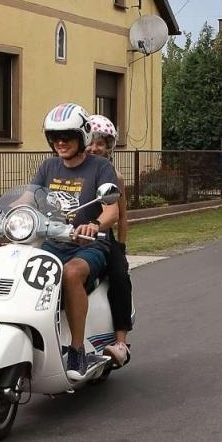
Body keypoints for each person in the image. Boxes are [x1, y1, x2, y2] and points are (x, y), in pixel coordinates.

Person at [30, 103, 120, 381]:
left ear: (81, 136)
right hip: (53, 242)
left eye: (67, 136)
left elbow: (112, 209)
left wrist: (94, 225)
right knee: (25, 270)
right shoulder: (48, 167)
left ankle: (78, 349)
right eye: (54, 137)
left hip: (89, 245)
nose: (60, 142)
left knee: (70, 274)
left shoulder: (100, 166)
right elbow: (29, 198)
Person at [86, 114, 133, 367]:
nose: (94, 148)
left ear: (109, 147)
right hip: (68, 236)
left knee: (119, 276)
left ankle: (121, 341)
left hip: (103, 237)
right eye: (90, 142)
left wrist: (121, 247)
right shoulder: (71, 170)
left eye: (100, 144)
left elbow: (122, 216)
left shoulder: (115, 176)